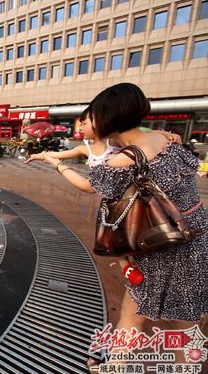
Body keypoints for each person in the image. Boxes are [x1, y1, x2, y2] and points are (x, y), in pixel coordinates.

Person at [37, 83, 207, 369]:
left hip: (161, 244)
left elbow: (87, 185)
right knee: (186, 321)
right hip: (197, 236)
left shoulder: (125, 160)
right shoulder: (168, 140)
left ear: (108, 118)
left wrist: (55, 164)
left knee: (131, 313)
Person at [25, 107, 181, 286]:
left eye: (85, 123)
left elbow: (137, 135)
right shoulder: (85, 149)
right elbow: (58, 155)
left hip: (130, 197)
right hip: (110, 200)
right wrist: (40, 156)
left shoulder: (114, 142)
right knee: (109, 233)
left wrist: (160, 132)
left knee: (131, 228)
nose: (81, 127)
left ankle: (141, 257)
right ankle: (125, 266)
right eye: (81, 123)